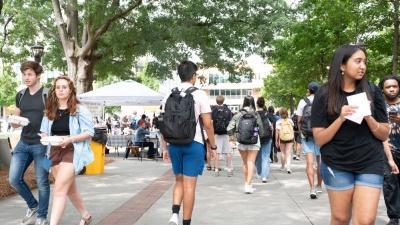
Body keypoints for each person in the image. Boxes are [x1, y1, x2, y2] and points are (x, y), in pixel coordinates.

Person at [312, 44, 389, 225]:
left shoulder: (373, 91)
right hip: (336, 163)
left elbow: (384, 134)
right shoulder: (324, 94)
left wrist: (368, 117)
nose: (363, 66)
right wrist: (340, 118)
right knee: (340, 219)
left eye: (364, 62)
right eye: (357, 61)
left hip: (370, 161)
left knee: (366, 220)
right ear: (342, 65)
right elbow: (320, 139)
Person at [162, 61, 216, 225]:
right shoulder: (199, 95)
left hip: (173, 144)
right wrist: (213, 147)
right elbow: (208, 124)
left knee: (178, 181)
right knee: (190, 186)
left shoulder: (169, 95)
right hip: (194, 144)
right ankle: (186, 222)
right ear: (194, 76)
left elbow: (165, 123)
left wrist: (164, 147)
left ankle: (174, 215)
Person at [40, 76, 94, 225]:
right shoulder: (50, 109)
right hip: (54, 151)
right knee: (69, 188)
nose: (61, 90)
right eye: (58, 87)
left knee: (59, 190)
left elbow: (89, 132)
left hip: (73, 149)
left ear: (70, 90)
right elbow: (44, 131)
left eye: (64, 87)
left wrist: (70, 139)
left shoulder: (79, 109)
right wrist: (45, 138)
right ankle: (86, 215)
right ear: (54, 90)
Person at [8, 61, 50, 225]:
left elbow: (54, 117)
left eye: (30, 74)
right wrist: (14, 122)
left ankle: (42, 217)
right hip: (23, 143)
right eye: (24, 74)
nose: (26, 77)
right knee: (14, 179)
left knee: (42, 182)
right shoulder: (20, 95)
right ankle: (33, 206)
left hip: (43, 145)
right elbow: (17, 116)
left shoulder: (47, 94)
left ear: (38, 75)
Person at [227, 95, 263, 194]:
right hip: (254, 140)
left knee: (245, 163)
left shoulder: (238, 114)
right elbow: (261, 129)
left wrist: (232, 138)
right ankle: (248, 185)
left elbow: (229, 129)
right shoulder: (255, 114)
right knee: (251, 162)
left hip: (241, 140)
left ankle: (247, 184)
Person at [378, 75, 400, 225]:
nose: (391, 89)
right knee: (390, 185)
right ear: (382, 89)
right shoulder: (379, 107)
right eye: (388, 87)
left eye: (394, 86)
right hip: (387, 151)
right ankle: (394, 217)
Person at [296, 81, 323, 199]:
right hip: (320, 135)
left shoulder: (303, 102)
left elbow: (299, 120)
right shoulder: (323, 101)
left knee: (310, 163)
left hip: (307, 135)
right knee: (320, 162)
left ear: (308, 90)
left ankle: (312, 188)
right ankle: (319, 186)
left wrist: (301, 133)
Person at [211, 96, 233, 177]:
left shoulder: (214, 110)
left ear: (216, 101)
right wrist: (231, 135)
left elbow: (211, 122)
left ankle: (216, 170)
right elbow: (231, 123)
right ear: (223, 101)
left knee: (217, 152)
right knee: (228, 152)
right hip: (226, 133)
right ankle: (229, 169)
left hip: (216, 133)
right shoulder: (227, 110)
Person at [255, 97, 272, 183]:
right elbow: (272, 126)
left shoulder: (254, 114)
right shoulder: (267, 114)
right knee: (266, 156)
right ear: (264, 104)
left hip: (257, 138)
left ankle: (259, 172)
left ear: (257, 105)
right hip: (267, 137)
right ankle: (264, 176)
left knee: (258, 156)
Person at [275, 107, 294, 174]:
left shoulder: (278, 122)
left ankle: (283, 166)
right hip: (290, 138)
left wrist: (276, 141)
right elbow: (292, 130)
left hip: (282, 138)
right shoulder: (290, 121)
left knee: (283, 153)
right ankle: (288, 166)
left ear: (280, 114)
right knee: (288, 152)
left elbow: (277, 132)